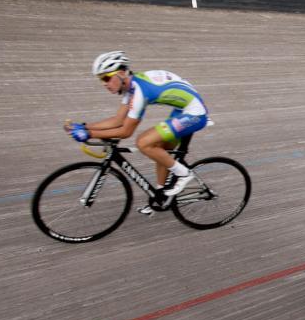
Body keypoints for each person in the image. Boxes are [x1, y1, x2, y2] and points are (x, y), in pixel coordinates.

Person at [64, 51, 209, 214]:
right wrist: (85, 127)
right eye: (101, 79)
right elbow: (118, 120)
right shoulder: (130, 88)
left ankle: (183, 174)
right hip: (182, 110)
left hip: (195, 114)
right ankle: (160, 197)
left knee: (144, 142)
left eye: (106, 78)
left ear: (120, 74)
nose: (104, 83)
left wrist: (89, 134)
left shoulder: (139, 91)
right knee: (160, 148)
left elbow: (125, 131)